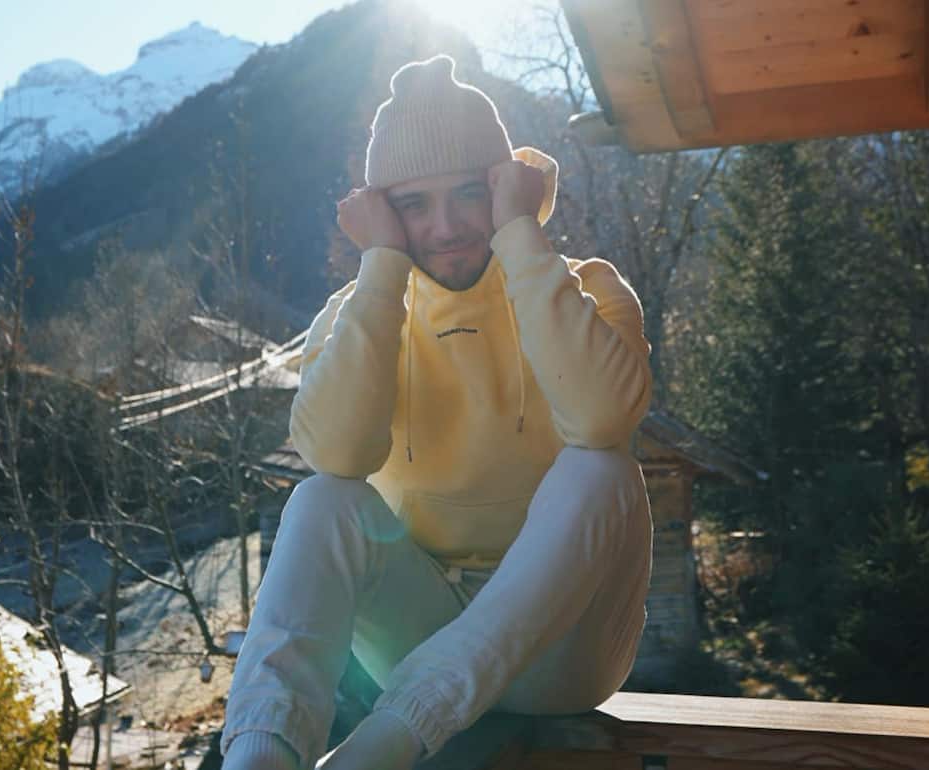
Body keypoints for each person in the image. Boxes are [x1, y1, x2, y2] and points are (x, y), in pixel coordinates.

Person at [219, 54, 653, 770]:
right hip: (414, 639)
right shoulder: (356, 314)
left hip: (565, 657)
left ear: (504, 188)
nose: (446, 226)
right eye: (413, 205)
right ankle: (259, 754)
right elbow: (337, 456)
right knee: (323, 499)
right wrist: (382, 269)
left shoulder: (590, 291)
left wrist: (520, 234)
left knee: (601, 471)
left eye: (469, 194)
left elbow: (602, 419)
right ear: (383, 216)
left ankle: (376, 752)